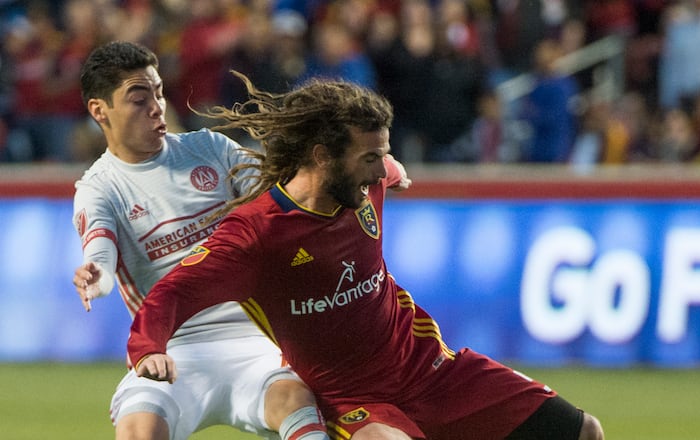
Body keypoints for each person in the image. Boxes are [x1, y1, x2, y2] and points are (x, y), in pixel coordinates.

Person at [125, 76, 604, 439]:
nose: (379, 170)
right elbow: (174, 291)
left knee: (585, 432)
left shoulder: (366, 181)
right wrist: (148, 349)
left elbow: (386, 167)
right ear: (321, 156)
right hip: (355, 400)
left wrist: (392, 168)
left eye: (382, 156)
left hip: (433, 368)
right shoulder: (255, 235)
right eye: (369, 158)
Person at [71, 41, 328, 440]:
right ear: (99, 111)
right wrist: (96, 275)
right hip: (173, 350)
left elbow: (280, 208)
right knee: (138, 430)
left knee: (299, 406)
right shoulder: (99, 189)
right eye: (139, 99)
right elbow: (100, 254)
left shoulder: (211, 148)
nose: (156, 106)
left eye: (158, 92)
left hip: (256, 337)